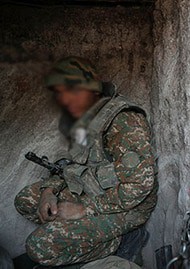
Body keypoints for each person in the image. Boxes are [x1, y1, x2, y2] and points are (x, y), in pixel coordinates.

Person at [14, 56, 158, 267]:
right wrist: (48, 192)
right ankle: (83, 233)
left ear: (94, 91)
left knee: (39, 246)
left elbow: (140, 185)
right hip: (93, 191)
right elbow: (71, 167)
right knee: (26, 200)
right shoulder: (86, 121)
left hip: (126, 208)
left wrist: (83, 210)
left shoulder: (123, 120)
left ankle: (114, 242)